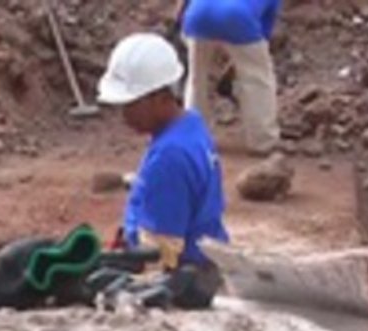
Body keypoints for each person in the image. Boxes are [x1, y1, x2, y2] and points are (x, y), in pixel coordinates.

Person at [98, 32, 228, 309]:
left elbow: (160, 255)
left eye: (131, 104)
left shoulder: (169, 158)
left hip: (183, 281)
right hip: (205, 265)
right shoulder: (190, 125)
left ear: (160, 97)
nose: (124, 115)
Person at [175, 0, 281, 156]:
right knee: (257, 79)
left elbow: (181, 10)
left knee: (197, 79)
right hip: (237, 18)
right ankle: (262, 141)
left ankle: (194, 137)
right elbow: (262, 37)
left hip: (197, 16)